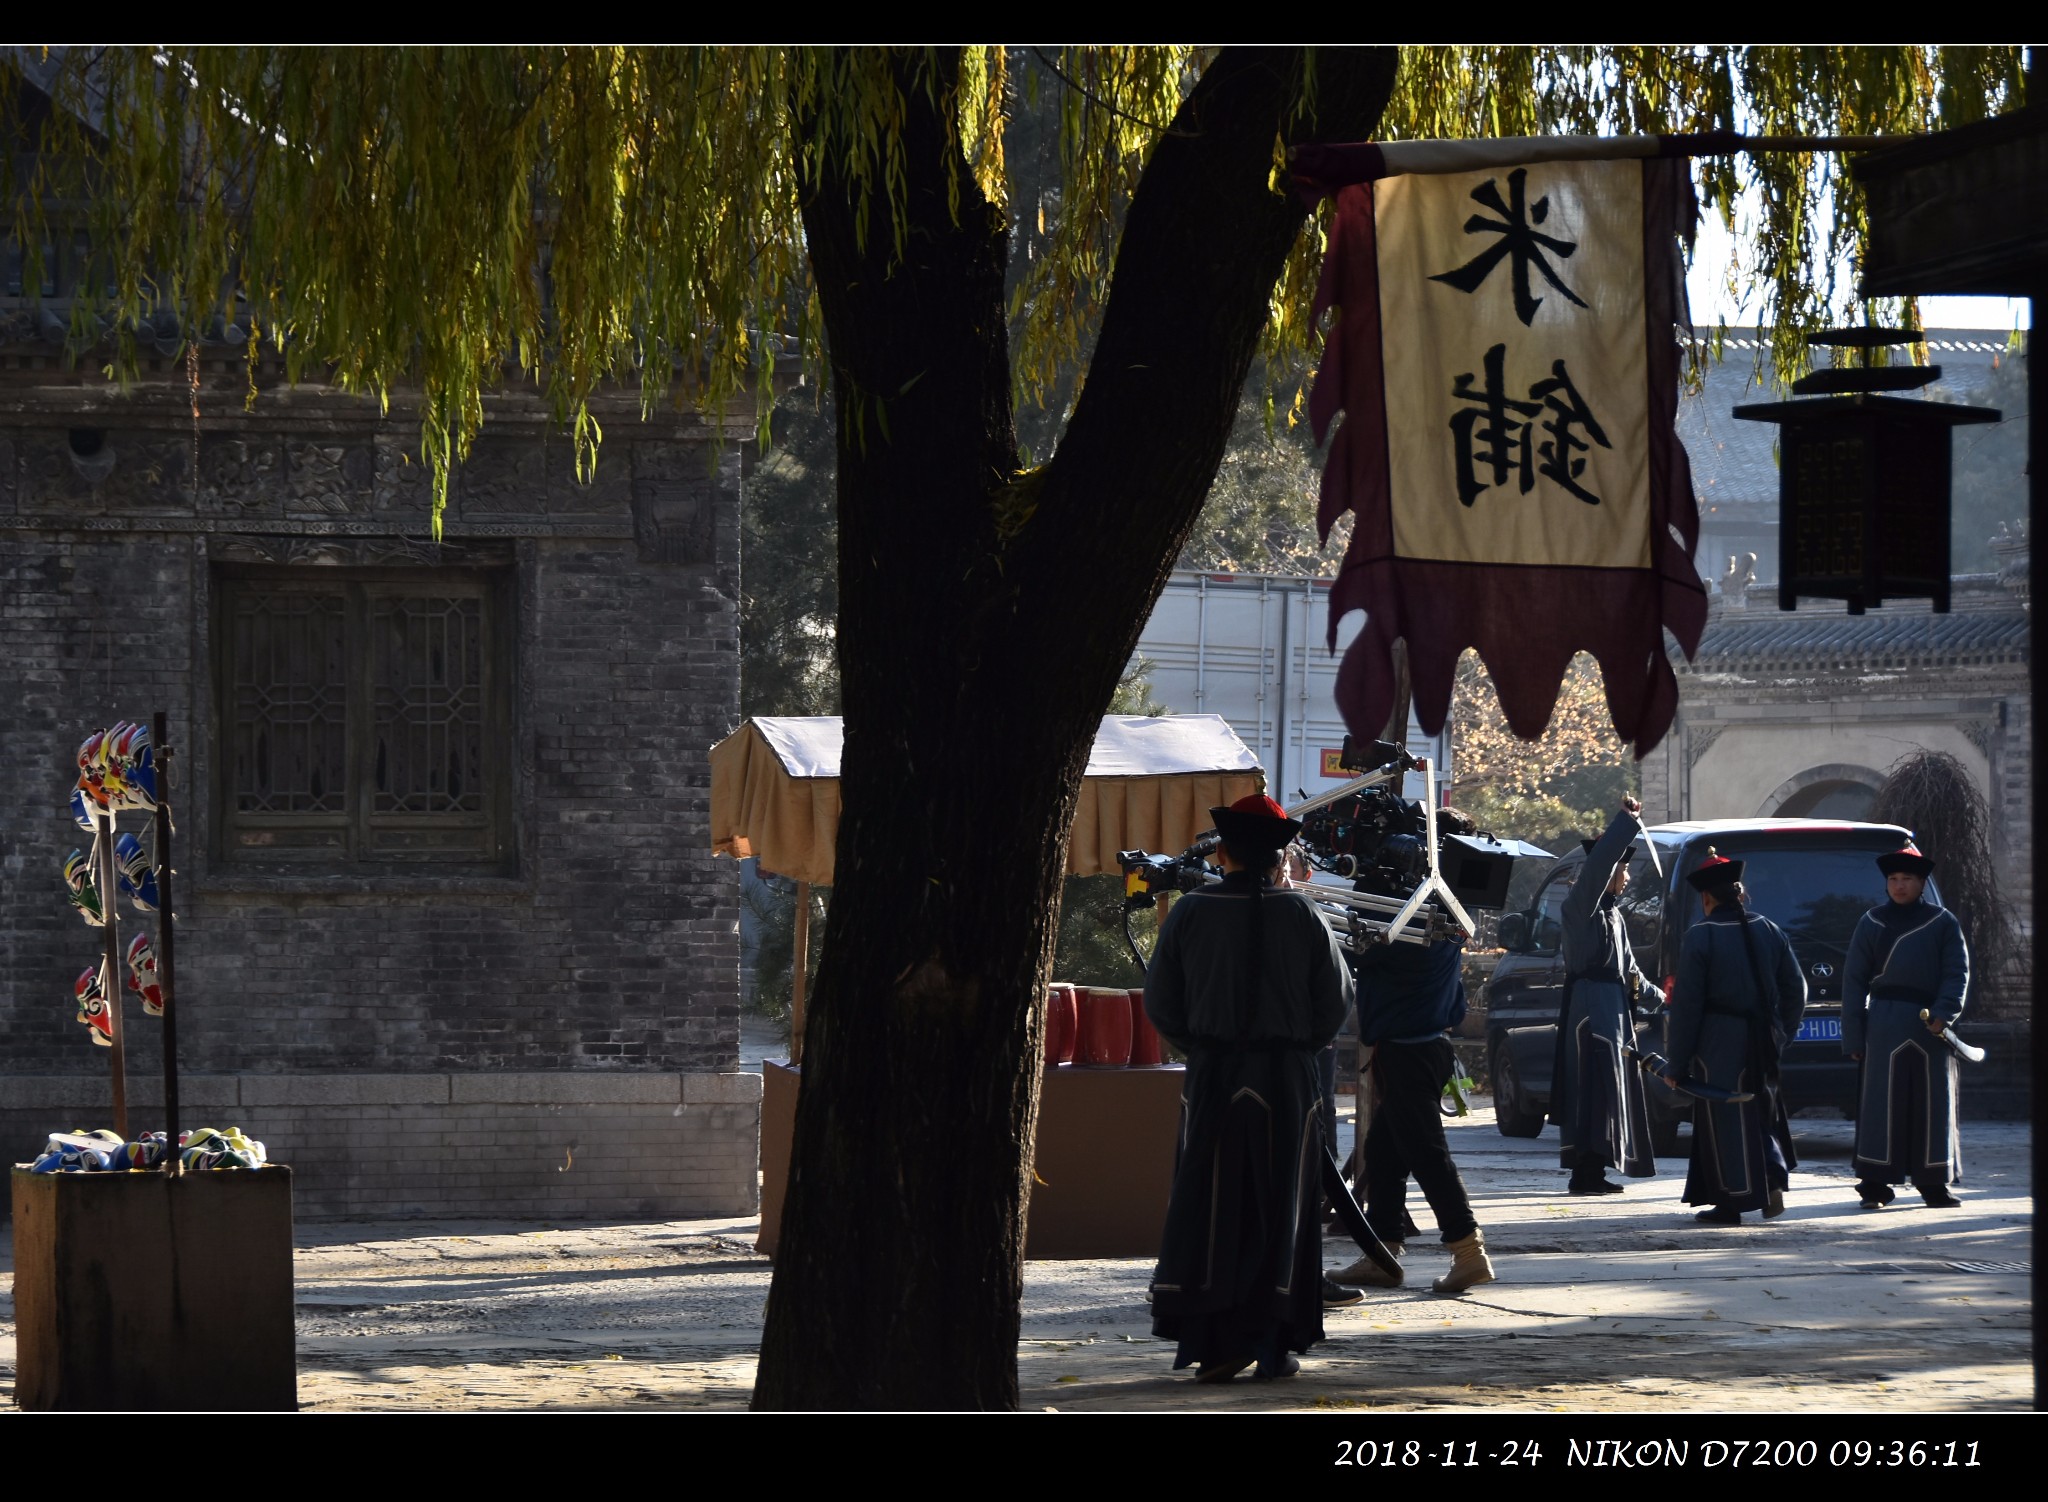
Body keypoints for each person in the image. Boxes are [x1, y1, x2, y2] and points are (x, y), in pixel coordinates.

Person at [1144, 793, 1354, 1383]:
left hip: (1214, 1074)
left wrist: (1207, 1047)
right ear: (1278, 855)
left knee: (1212, 1202)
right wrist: (1290, 1048)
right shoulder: (1305, 915)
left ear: (1226, 851)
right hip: (1284, 1078)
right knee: (1280, 1205)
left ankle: (1214, 1338)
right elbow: (1334, 1006)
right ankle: (1272, 1340)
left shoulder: (1191, 911)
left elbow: (1161, 1003)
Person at [1331, 936, 1495, 1293]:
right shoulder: (1443, 930)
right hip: (1424, 1049)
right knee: (1383, 1153)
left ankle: (1468, 1250)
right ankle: (1382, 1255)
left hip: (1409, 1054)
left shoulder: (1401, 938)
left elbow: (1345, 948)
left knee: (1427, 1153)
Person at [1662, 851, 1807, 1224]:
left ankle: (1731, 1202)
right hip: (1763, 1037)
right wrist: (1782, 1034)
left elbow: (1687, 1006)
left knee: (1724, 1118)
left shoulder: (1701, 936)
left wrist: (1676, 1063)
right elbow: (1797, 989)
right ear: (1740, 894)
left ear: (1706, 898)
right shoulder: (1770, 929)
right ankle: (1771, 1177)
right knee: (1762, 1111)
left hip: (1718, 1041)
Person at [1841, 842, 1970, 1209]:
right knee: (1881, 1105)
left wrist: (1946, 1012)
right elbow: (1854, 981)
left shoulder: (1942, 922)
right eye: (1893, 879)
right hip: (1882, 1025)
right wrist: (1854, 1033)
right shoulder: (1871, 921)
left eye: (1908, 879)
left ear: (1921, 882)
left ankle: (1933, 1184)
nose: (1899, 885)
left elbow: (1956, 972)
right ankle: (1876, 1186)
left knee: (1933, 1104)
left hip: (1930, 1026)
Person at [1554, 797, 1658, 1193]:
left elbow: (1630, 970)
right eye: (1624, 869)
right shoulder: (1580, 906)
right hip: (1590, 1012)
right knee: (1590, 1090)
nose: (1627, 878)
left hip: (1612, 1011)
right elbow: (1596, 869)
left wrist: (1663, 1001)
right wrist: (1626, 822)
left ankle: (1596, 1169)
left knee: (1608, 1091)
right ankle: (1585, 1173)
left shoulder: (1613, 915)